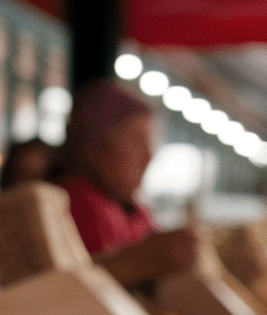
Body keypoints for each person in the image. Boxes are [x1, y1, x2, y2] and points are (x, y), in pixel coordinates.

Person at [56, 77, 198, 291]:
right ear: (96, 148)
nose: (149, 156)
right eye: (136, 141)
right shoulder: (69, 206)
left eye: (150, 142)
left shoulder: (132, 208)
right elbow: (68, 293)